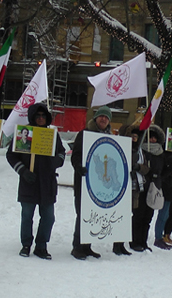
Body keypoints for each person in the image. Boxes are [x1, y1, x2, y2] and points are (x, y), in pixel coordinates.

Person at [7, 103, 65, 260]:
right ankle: (26, 244)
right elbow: (11, 155)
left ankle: (41, 246)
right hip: (29, 183)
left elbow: (61, 153)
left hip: (47, 184)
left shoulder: (52, 135)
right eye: (38, 116)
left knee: (48, 217)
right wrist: (23, 171)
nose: (41, 118)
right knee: (27, 216)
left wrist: (55, 162)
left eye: (43, 115)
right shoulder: (24, 133)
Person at [70, 106, 112, 260]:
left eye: (106, 118)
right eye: (101, 116)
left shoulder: (110, 138)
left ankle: (87, 246)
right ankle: (77, 247)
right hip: (84, 184)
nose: (104, 119)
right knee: (82, 215)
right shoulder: (84, 134)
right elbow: (75, 156)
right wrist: (79, 168)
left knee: (93, 216)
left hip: (99, 185)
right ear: (96, 118)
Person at [130, 124, 166, 252]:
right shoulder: (141, 150)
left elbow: (162, 170)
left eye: (155, 138)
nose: (152, 141)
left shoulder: (161, 153)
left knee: (148, 217)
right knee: (138, 216)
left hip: (154, 188)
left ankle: (143, 241)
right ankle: (134, 241)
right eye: (150, 138)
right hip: (142, 186)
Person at [114, 123, 148, 255]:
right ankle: (116, 244)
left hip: (135, 188)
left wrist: (138, 167)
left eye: (136, 136)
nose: (135, 138)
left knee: (128, 216)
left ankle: (122, 243)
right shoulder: (122, 148)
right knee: (120, 215)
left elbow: (146, 168)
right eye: (132, 135)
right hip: (122, 186)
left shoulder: (140, 151)